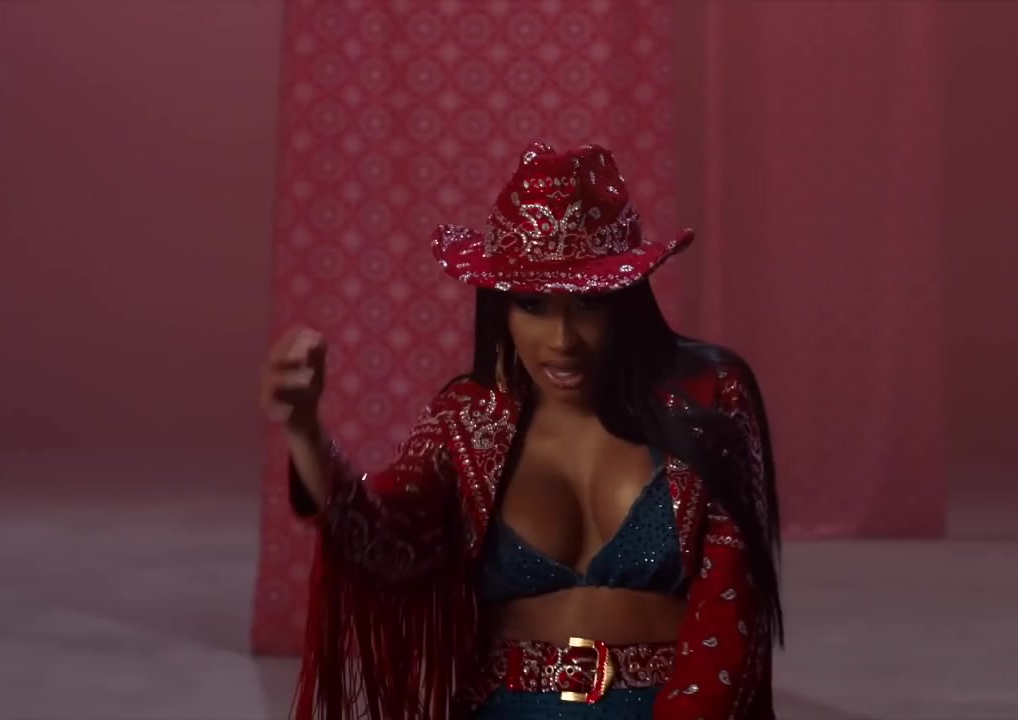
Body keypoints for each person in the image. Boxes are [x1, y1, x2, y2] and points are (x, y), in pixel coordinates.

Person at [260, 143, 782, 720]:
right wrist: (306, 430)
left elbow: (732, 611)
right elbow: (385, 539)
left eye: (587, 304)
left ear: (626, 300)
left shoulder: (709, 395)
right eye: (532, 305)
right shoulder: (467, 418)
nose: (561, 340)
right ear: (500, 310)